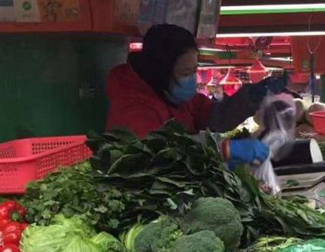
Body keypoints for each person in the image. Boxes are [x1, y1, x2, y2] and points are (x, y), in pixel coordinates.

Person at [106, 24, 284, 167]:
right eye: (185, 73)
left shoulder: (172, 94)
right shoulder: (133, 109)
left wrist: (249, 98)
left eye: (194, 71)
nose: (191, 79)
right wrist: (225, 150)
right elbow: (160, 155)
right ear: (161, 72)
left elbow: (215, 117)